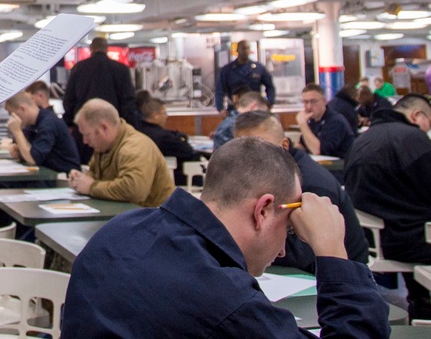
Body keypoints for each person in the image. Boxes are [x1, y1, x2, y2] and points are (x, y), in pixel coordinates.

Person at [62, 138, 390, 338]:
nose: (281, 252)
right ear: (263, 210)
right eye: (288, 229)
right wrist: (333, 251)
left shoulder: (118, 231)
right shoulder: (228, 304)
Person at [233, 111, 368, 273]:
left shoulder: (311, 186)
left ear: (284, 146)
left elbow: (304, 253)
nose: (251, 160)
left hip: (340, 276)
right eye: (244, 152)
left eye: (261, 150)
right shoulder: (269, 174)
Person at [345, 93, 431, 320]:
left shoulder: (364, 138)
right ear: (416, 115)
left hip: (373, 238)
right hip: (407, 239)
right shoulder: (413, 139)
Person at [67, 98, 174, 207]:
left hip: (155, 219)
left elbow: (134, 190)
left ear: (104, 128)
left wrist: (91, 187)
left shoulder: (135, 147)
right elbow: (94, 174)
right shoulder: (104, 147)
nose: (85, 141)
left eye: (87, 135)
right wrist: (80, 180)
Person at [61, 37, 140, 163]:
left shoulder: (78, 68)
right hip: (112, 131)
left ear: (91, 49)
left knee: (86, 167)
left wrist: (69, 123)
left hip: (84, 131)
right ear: (106, 49)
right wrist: (130, 128)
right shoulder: (121, 69)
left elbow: (68, 100)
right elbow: (128, 102)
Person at [3, 91, 78, 174]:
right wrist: (18, 150)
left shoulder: (49, 123)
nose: (12, 118)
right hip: (44, 174)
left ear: (22, 109)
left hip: (61, 178)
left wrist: (17, 132)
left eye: (12, 114)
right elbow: (29, 150)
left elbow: (33, 159)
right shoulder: (31, 125)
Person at [136, 97, 202, 186]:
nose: (166, 116)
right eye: (164, 113)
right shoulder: (165, 138)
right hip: (176, 180)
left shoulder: (138, 132)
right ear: (156, 115)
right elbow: (188, 151)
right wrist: (181, 138)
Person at [214, 40, 276, 115]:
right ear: (237, 50)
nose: (246, 51)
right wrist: (220, 108)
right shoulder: (228, 70)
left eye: (248, 48)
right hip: (234, 110)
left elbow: (270, 87)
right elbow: (220, 90)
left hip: (255, 109)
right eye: (243, 49)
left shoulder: (258, 68)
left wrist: (269, 103)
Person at [297, 83, 355, 160]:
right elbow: (303, 146)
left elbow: (317, 151)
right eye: (305, 102)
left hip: (338, 167)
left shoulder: (336, 121)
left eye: (313, 101)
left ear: (324, 101)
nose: (309, 106)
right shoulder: (311, 121)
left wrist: (303, 124)